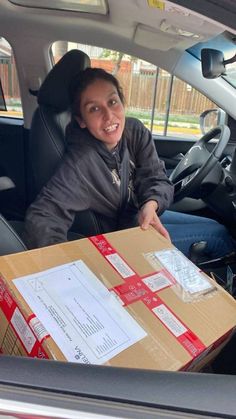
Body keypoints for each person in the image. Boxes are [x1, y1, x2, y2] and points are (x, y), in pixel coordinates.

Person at [23, 67, 235, 260]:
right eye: (94, 109)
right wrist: (64, 269)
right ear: (81, 120)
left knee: (217, 227)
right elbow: (43, 215)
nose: (109, 116)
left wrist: (150, 204)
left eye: (113, 102)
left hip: (140, 215)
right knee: (219, 237)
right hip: (121, 239)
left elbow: (155, 176)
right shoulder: (82, 163)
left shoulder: (134, 132)